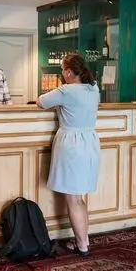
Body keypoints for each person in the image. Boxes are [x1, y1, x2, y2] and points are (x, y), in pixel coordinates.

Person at [36, 52, 100, 256]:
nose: (62, 74)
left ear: (70, 72)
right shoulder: (94, 88)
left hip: (71, 144)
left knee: (72, 199)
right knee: (79, 197)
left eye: (63, 70)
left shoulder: (66, 90)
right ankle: (84, 241)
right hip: (90, 142)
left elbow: (40, 101)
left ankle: (82, 246)